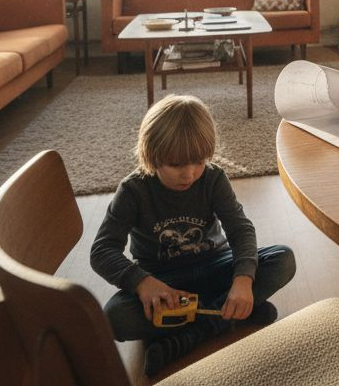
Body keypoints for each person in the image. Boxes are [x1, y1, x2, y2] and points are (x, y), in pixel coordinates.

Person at [91, 94, 296, 377]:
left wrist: (243, 280)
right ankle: (233, 316)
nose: (189, 174)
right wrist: (143, 283)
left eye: (198, 162)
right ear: (152, 154)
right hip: (165, 285)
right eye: (176, 164)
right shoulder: (133, 191)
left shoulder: (212, 178)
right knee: (115, 317)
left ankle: (188, 337)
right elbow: (102, 251)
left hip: (216, 268)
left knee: (283, 259)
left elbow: (241, 229)